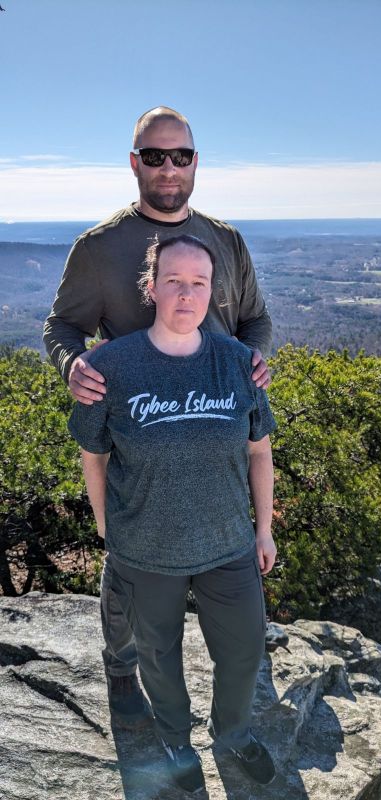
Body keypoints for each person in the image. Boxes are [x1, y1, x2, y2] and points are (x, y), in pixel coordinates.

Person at [43, 106, 274, 730]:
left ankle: (233, 678)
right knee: (129, 569)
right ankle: (121, 671)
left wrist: (257, 361)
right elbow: (62, 325)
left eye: (181, 155)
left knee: (224, 564)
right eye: (154, 155)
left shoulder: (224, 240)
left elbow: (256, 320)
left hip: (217, 423)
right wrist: (72, 364)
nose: (168, 168)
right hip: (138, 426)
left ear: (197, 161)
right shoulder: (98, 248)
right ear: (134, 162)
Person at [68, 235, 277, 793]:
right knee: (159, 657)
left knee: (244, 648)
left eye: (199, 283)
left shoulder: (238, 363)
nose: (187, 294)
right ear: (152, 288)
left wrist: (263, 530)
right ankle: (176, 741)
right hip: (147, 548)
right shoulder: (112, 365)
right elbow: (94, 453)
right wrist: (106, 525)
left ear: (214, 291)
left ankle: (232, 736)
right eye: (174, 281)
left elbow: (259, 449)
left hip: (228, 543)